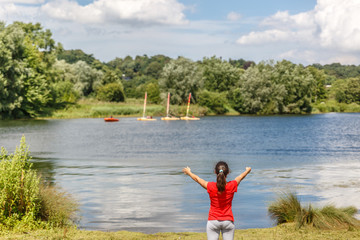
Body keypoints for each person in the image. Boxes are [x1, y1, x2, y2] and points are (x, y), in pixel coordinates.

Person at [182, 161, 251, 240]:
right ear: (228, 172)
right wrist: (247, 170)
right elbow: (241, 177)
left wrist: (189, 172)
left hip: (213, 221)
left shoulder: (210, 186)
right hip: (228, 221)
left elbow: (197, 179)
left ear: (215, 172)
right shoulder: (232, 185)